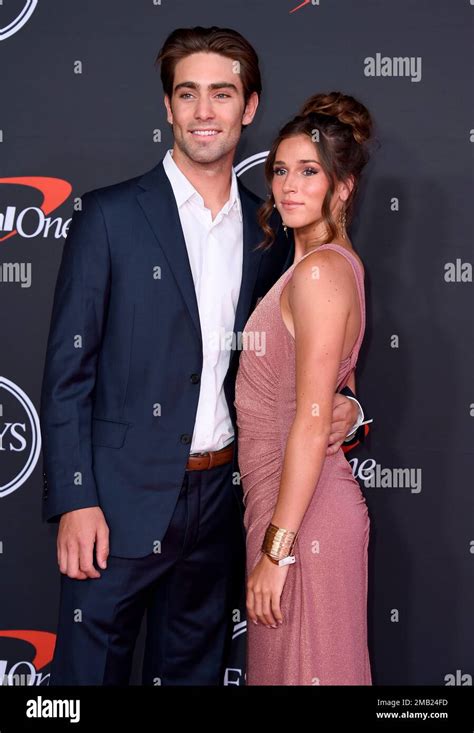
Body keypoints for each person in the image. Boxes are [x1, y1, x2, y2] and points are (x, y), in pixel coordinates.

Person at [40, 27, 367, 686]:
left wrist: (353, 407)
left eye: (221, 94)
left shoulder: (271, 233)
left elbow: (316, 356)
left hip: (221, 505)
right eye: (187, 94)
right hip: (116, 507)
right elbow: (67, 370)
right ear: (167, 106)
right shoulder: (108, 217)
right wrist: (74, 498)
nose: (203, 112)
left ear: (248, 108)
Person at [234, 91, 373, 685]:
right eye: (281, 170)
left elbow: (314, 419)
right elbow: (338, 394)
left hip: (303, 520)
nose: (290, 185)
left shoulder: (320, 272)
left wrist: (276, 551)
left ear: (342, 187)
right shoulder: (328, 266)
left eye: (309, 171)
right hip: (287, 504)